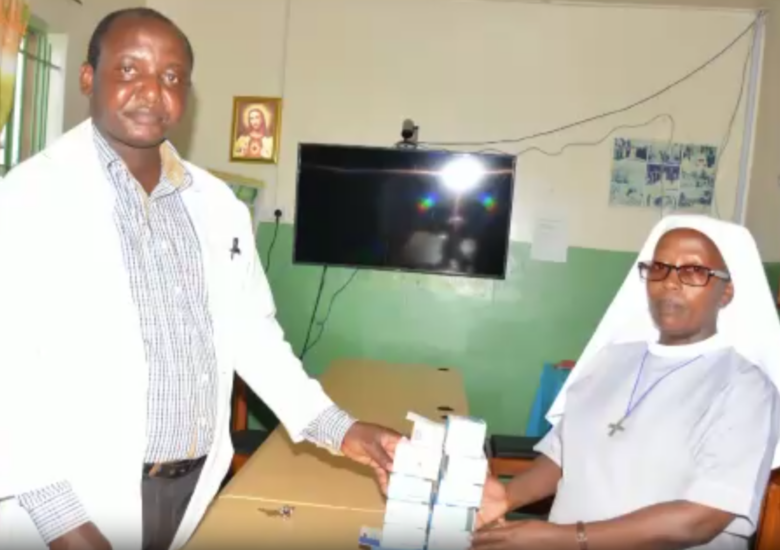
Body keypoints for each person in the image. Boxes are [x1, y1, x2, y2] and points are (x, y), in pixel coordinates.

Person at [0, 8, 401, 550]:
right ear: (88, 77)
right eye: (129, 70)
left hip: (190, 488)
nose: (151, 91)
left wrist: (343, 430)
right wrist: (64, 524)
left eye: (171, 77)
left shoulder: (216, 206)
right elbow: (11, 377)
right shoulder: (27, 200)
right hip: (69, 502)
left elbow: (253, 337)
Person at [474, 215, 780, 550]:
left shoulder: (746, 388)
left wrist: (564, 538)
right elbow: (563, 455)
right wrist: (506, 496)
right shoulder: (610, 361)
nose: (670, 282)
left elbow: (701, 519)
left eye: (693, 271)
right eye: (660, 267)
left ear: (726, 292)